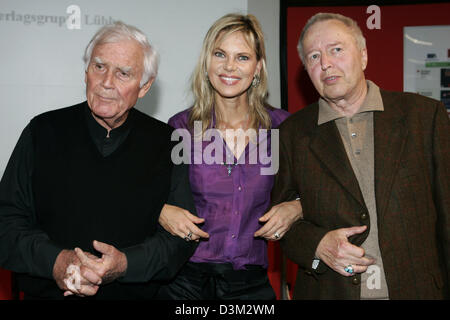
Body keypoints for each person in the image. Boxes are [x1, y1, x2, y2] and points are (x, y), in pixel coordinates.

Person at [0, 21, 198, 300]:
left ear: (144, 87)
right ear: (86, 72)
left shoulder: (168, 142)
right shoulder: (42, 131)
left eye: (123, 73)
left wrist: (126, 264)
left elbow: (180, 240)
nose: (106, 83)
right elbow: (6, 223)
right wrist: (56, 261)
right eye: (99, 67)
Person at [272, 12, 450, 299]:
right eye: (313, 57)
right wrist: (317, 244)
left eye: (336, 50)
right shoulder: (292, 133)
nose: (325, 63)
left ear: (363, 56)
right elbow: (283, 227)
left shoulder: (424, 117)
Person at [156, 13, 302, 300]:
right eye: (220, 54)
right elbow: (156, 193)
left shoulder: (282, 128)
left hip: (250, 286)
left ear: (258, 67)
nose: (229, 66)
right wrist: (160, 210)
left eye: (243, 57)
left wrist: (297, 207)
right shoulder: (182, 127)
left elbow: (318, 192)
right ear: (207, 62)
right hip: (184, 284)